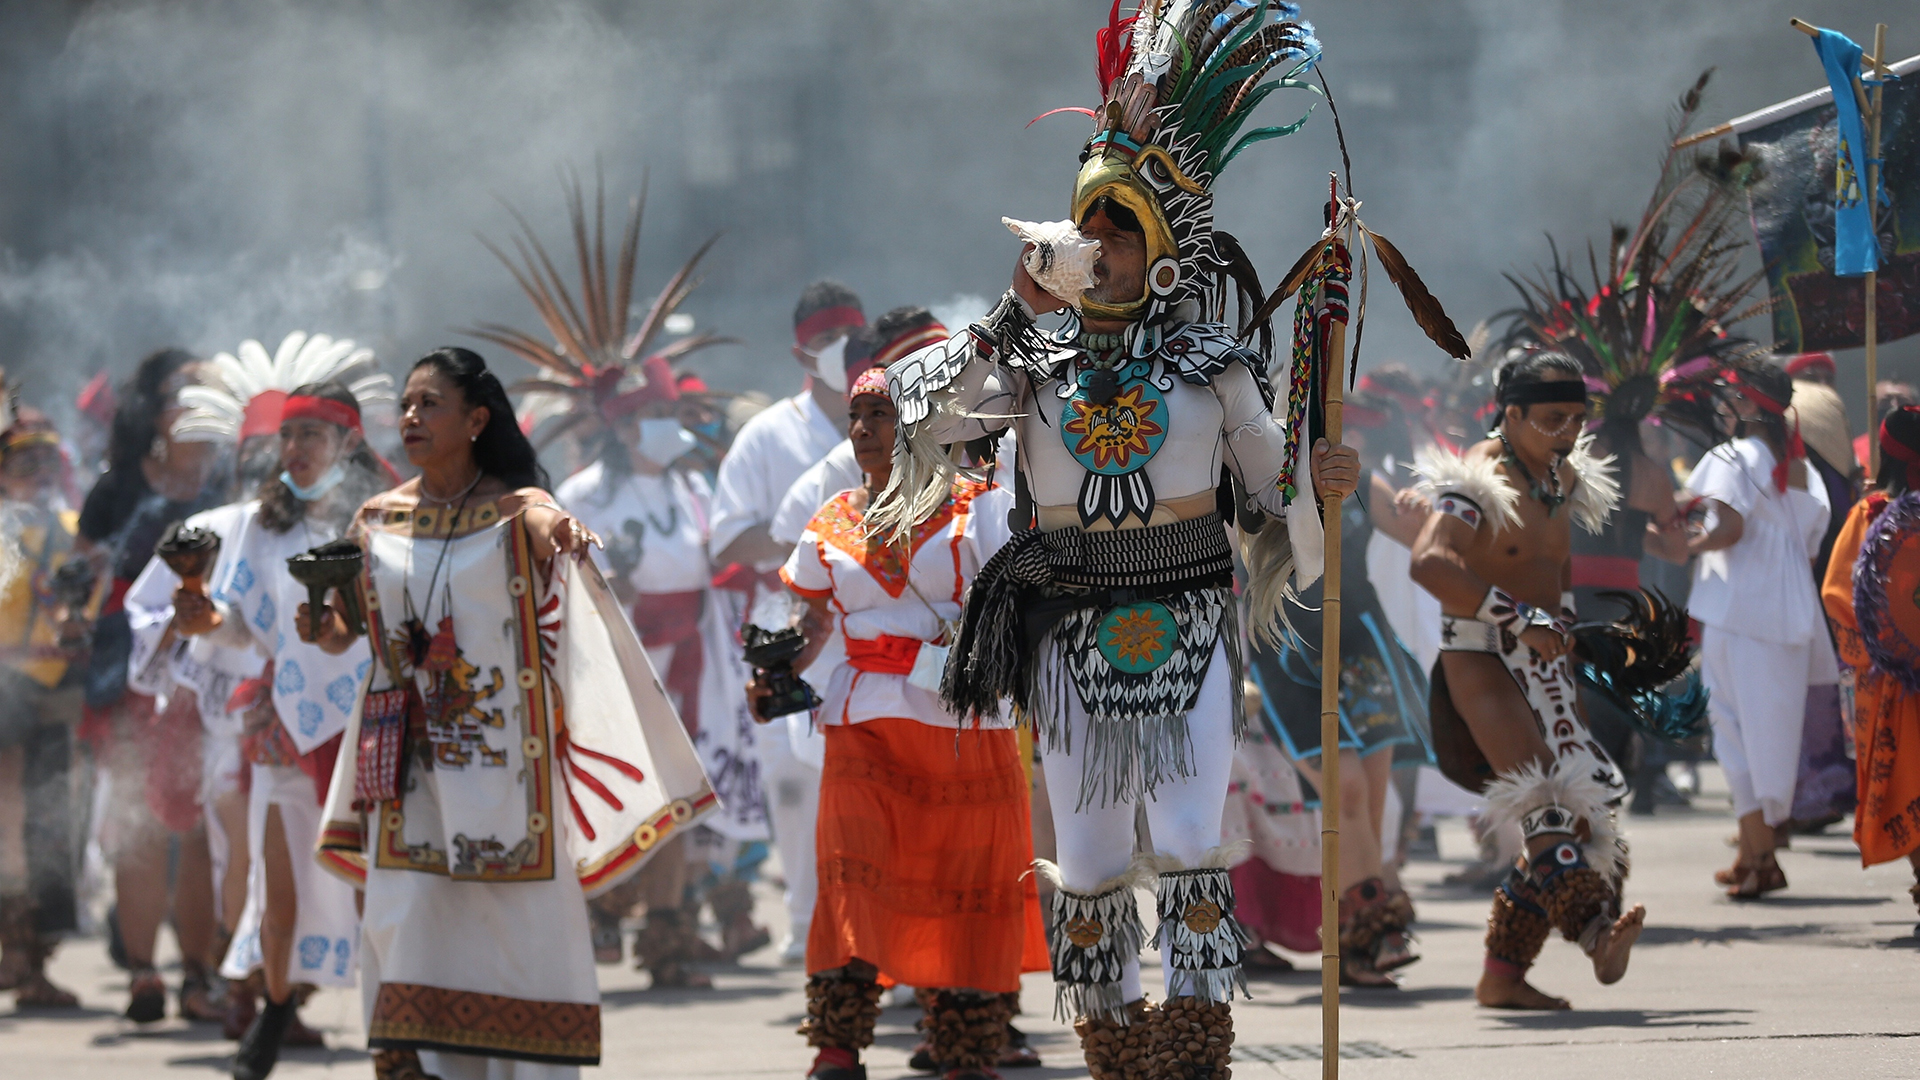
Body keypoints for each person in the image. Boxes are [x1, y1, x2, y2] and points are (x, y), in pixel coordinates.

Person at [873, 5, 1356, 1071]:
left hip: (1186, 616)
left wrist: (1319, 477)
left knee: (1189, 837)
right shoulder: (1030, 361)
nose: (1105, 247)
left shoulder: (1214, 361)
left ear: (1164, 242)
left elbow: (1273, 487)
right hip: (1068, 625)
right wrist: (1007, 312)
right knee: (1088, 850)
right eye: (1092, 226)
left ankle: (1195, 1042)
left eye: (1125, 228)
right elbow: (922, 419)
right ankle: (1110, 1046)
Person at [308, 347, 715, 1080]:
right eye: (405, 405)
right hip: (411, 775)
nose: (410, 417)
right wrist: (322, 629)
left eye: (429, 404)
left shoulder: (512, 509)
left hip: (506, 776)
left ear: (476, 419)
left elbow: (538, 513)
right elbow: (347, 634)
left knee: (516, 935)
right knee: (412, 924)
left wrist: (558, 526)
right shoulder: (377, 519)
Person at [754, 366, 1045, 1080]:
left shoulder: (978, 508)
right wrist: (781, 669)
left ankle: (966, 1048)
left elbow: (1021, 600)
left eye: (879, 413)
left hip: (961, 727)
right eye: (856, 414)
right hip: (864, 726)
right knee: (852, 878)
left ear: (919, 423)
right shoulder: (831, 518)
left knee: (962, 883)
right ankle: (837, 1045)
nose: (862, 429)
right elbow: (813, 615)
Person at [169, 369, 394, 1078]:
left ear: (346, 440)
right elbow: (241, 628)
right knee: (279, 879)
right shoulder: (262, 527)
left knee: (373, 878)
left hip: (366, 718)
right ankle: (272, 1010)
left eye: (311, 434)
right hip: (286, 715)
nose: (294, 447)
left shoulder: (382, 519)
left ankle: (394, 1024)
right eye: (287, 433)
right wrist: (202, 616)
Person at [1410, 351, 1644, 1011]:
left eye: (1576, 417)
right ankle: (1596, 932)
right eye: (1550, 418)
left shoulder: (1563, 477)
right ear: (1510, 414)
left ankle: (1503, 977)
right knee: (1541, 796)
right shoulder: (1477, 479)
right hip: (1481, 656)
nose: (1566, 431)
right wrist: (1519, 617)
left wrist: (1561, 634)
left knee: (1583, 812)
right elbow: (1430, 563)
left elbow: (1555, 569)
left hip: (1546, 661)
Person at [1246, 390, 1434, 987]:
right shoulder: (1250, 478)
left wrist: (1437, 502)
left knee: (1370, 800)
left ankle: (1356, 939)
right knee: (1345, 788)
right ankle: (1374, 929)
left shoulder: (1359, 476)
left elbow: (1424, 534)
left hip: (1359, 641)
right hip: (1287, 648)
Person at [709, 280, 867, 963]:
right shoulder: (767, 435)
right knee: (796, 785)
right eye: (828, 343)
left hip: (872, 617)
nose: (843, 354)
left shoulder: (894, 417)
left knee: (870, 775)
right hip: (785, 621)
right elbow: (727, 539)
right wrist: (812, 546)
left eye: (851, 339)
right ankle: (811, 933)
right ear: (802, 356)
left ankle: (875, 934)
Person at [77, 346, 226, 1022]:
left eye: (205, 391)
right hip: (131, 682)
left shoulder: (234, 488)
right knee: (138, 827)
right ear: (154, 412)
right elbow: (82, 587)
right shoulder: (115, 490)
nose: (192, 403)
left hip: (210, 676)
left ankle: (199, 974)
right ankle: (144, 973)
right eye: (180, 392)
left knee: (196, 830)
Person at [1684, 364, 1836, 898]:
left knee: (1731, 729)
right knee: (1771, 736)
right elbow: (1811, 547)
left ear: (1749, 404)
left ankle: (1763, 856)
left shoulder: (1734, 456)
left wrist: (1684, 547)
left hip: (1741, 608)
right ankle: (1755, 852)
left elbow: (1728, 528)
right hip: (1791, 611)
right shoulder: (1803, 468)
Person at [0, 404, 95, 1009]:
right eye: (21, 457)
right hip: (3, 692)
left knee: (52, 828)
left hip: (56, 699)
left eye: (44, 456)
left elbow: (83, 601)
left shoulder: (72, 525)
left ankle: (32, 959)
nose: (36, 468)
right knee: (6, 825)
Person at [1821, 406, 1920, 920]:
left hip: (1892, 681)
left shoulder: (1872, 516)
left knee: (1907, 778)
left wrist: (1874, 654)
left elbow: (1840, 595)